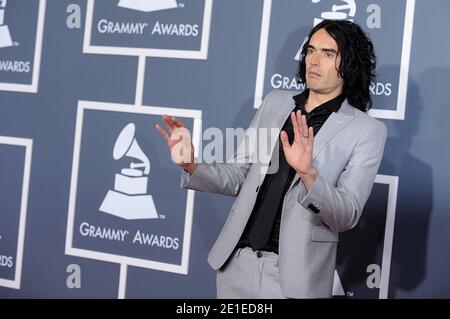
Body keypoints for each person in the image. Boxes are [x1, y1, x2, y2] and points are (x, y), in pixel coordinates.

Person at [155, 19, 387, 298]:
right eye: (311, 50)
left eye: (328, 54)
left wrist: (308, 174)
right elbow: (239, 176)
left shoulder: (367, 130)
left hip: (296, 278)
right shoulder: (276, 103)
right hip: (236, 265)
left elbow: (347, 214)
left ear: (348, 64)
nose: (314, 60)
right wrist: (191, 164)